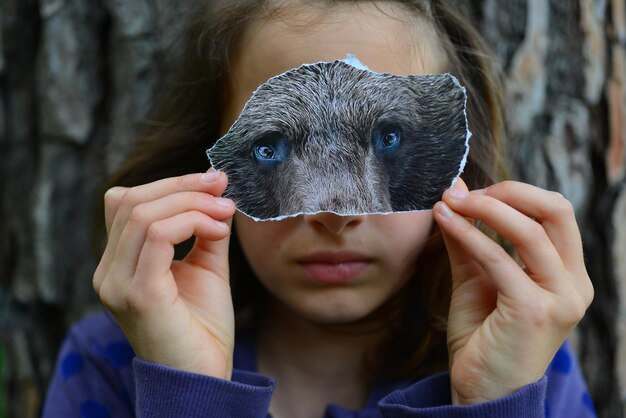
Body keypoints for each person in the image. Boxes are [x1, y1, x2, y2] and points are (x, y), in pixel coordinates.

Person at [42, 1, 597, 417]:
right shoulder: (114, 361)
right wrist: (185, 390)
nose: (334, 213)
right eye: (271, 148)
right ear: (203, 169)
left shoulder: (528, 362)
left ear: (459, 166)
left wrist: (493, 403)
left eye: (389, 138)